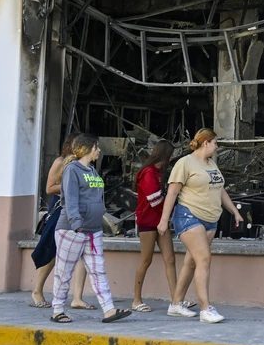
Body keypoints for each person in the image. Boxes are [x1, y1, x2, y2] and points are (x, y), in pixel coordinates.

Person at [157, 128, 243, 323]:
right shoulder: (185, 163)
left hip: (210, 219)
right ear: (206, 143)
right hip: (189, 216)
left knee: (192, 262)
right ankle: (206, 309)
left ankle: (176, 304)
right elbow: (172, 193)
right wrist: (163, 220)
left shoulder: (211, 164)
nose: (217, 147)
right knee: (204, 258)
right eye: (215, 143)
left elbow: (220, 190)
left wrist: (234, 211)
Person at [50, 133, 131, 324]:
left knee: (98, 271)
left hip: (93, 230)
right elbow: (70, 199)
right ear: (87, 149)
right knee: (64, 272)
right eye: (96, 147)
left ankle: (109, 310)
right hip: (73, 230)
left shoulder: (92, 171)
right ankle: (57, 310)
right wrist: (77, 224)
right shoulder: (72, 170)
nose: (99, 150)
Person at [29, 133, 93, 311]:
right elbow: (49, 188)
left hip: (80, 210)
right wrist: (71, 185)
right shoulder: (60, 162)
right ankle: (37, 290)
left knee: (83, 252)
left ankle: (77, 297)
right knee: (51, 251)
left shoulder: (84, 164)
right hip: (60, 209)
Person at [130, 140, 177, 312]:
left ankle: (176, 299)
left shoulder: (157, 173)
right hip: (148, 221)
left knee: (170, 259)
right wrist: (171, 199)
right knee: (146, 260)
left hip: (160, 220)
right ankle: (136, 299)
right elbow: (154, 200)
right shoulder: (148, 173)